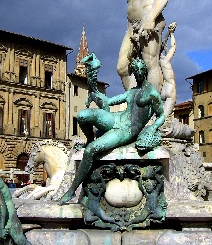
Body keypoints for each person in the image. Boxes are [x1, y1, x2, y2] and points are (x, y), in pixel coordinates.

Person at [58, 57, 165, 205]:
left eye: (142, 70)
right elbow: (108, 102)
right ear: (133, 73)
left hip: (126, 131)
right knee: (82, 116)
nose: (139, 73)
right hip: (115, 119)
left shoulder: (152, 93)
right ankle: (90, 138)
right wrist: (94, 89)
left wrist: (152, 127)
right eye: (136, 70)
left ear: (145, 71)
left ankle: (71, 191)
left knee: (90, 151)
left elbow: (161, 116)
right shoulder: (131, 92)